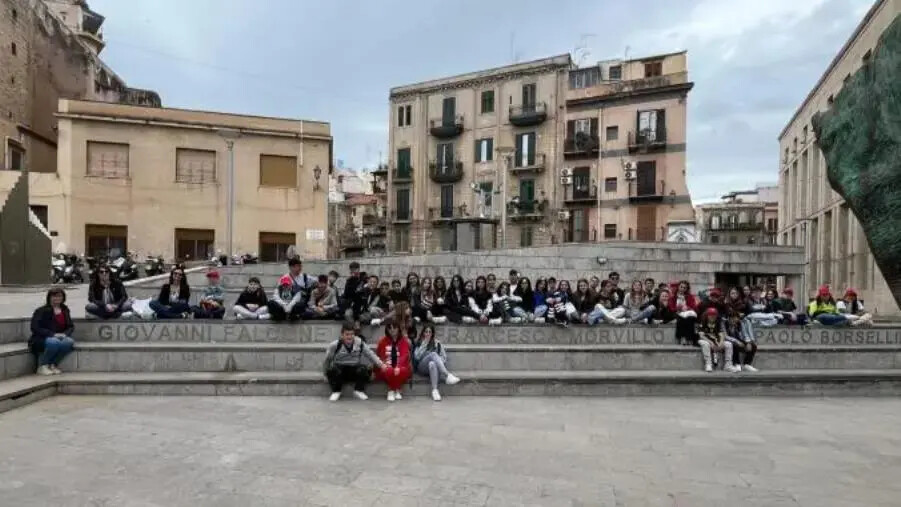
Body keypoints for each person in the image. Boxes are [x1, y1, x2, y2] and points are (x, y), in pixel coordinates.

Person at [323, 321, 388, 401]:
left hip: (354, 369)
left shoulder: (359, 343)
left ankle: (358, 390)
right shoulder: (334, 345)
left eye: (352, 334)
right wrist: (325, 374)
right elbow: (327, 360)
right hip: (339, 371)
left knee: (364, 369)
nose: (349, 337)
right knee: (332, 369)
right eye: (347, 334)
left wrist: (381, 365)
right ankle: (336, 391)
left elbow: (371, 355)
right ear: (342, 335)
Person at [29, 288, 75, 376]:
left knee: (69, 342)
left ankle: (52, 364)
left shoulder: (65, 309)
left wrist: (65, 334)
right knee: (54, 342)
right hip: (42, 337)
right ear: (49, 297)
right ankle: (42, 366)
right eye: (54, 296)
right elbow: (35, 327)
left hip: (60, 336)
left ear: (63, 298)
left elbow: (70, 326)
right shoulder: (41, 310)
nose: (57, 298)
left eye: (59, 296)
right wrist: (53, 334)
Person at [413, 324, 461, 401]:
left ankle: (435, 391)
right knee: (433, 354)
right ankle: (447, 375)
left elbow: (444, 357)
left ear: (432, 334)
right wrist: (424, 345)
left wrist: (438, 362)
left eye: (430, 332)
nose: (428, 334)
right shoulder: (420, 342)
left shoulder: (437, 343)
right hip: (422, 367)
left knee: (432, 363)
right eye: (426, 332)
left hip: (433, 368)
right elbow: (416, 357)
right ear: (423, 333)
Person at [376, 321, 413, 402]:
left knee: (402, 370)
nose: (392, 330)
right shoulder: (382, 341)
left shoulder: (403, 341)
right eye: (390, 328)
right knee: (388, 370)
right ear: (387, 329)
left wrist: (398, 367)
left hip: (400, 366)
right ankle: (394, 389)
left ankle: (392, 389)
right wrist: (385, 364)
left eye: (394, 328)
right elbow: (380, 356)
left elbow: (404, 356)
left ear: (398, 329)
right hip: (387, 366)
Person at [697, 308, 736, 373]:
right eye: (711, 315)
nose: (712, 317)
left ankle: (728, 365)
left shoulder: (718, 322)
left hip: (716, 340)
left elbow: (721, 334)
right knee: (705, 344)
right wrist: (710, 342)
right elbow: (701, 336)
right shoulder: (703, 322)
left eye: (714, 315)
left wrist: (721, 343)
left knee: (729, 344)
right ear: (707, 315)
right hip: (704, 340)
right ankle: (708, 364)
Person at [670, 280, 698, 345]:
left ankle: (688, 339)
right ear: (678, 287)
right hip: (677, 313)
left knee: (689, 318)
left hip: (688, 313)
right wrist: (679, 308)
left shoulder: (690, 297)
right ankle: (684, 338)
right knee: (681, 318)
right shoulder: (673, 297)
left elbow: (694, 307)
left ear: (687, 289)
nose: (682, 289)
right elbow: (671, 308)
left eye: (684, 288)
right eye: (681, 287)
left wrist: (687, 307)